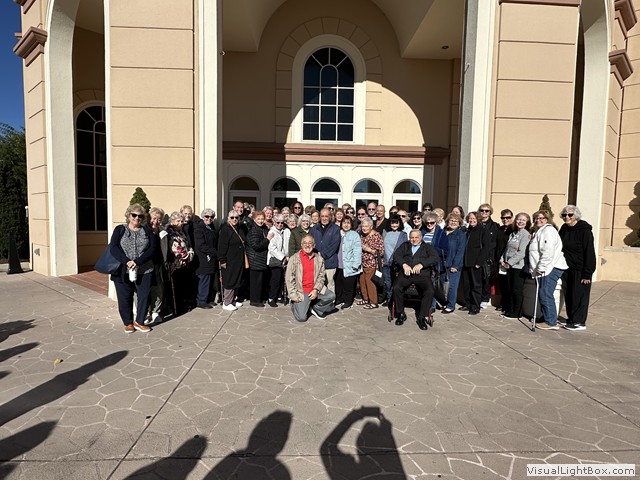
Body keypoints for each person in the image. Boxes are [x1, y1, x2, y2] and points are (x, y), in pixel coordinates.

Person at [109, 203, 157, 333]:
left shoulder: (147, 231)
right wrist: (127, 261)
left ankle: (140, 322)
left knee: (144, 296)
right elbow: (113, 247)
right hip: (123, 269)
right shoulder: (120, 229)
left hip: (144, 269)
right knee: (124, 297)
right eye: (134, 215)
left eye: (140, 216)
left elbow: (152, 249)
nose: (137, 218)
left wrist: (138, 261)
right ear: (128, 215)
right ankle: (128, 323)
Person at [528, 210, 568, 330]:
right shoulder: (540, 231)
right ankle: (547, 317)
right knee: (543, 293)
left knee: (545, 293)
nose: (538, 220)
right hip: (545, 267)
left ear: (547, 219)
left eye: (542, 218)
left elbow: (548, 251)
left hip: (550, 267)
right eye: (536, 218)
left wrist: (541, 267)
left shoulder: (548, 231)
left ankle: (551, 321)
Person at [392, 229, 440, 329]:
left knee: (430, 290)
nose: (414, 240)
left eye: (416, 237)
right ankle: (400, 313)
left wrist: (422, 264)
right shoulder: (405, 245)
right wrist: (404, 264)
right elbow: (396, 255)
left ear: (421, 237)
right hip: (407, 274)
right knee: (396, 288)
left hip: (422, 275)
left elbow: (435, 257)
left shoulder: (427, 247)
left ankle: (422, 316)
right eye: (412, 237)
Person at [559, 205, 596, 331]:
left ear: (576, 216)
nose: (567, 217)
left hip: (580, 269)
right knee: (569, 295)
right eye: (564, 215)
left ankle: (579, 322)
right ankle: (571, 319)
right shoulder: (564, 229)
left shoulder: (585, 230)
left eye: (570, 215)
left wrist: (587, 273)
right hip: (566, 268)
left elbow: (589, 252)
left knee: (579, 295)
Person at [285, 235, 336, 321]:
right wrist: (293, 295)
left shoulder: (319, 259)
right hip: (302, 291)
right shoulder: (294, 259)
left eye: (310, 243)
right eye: (305, 243)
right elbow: (289, 279)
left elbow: (321, 277)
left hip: (314, 289)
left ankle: (316, 308)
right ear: (301, 245)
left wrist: (316, 289)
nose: (307, 245)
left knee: (331, 296)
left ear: (314, 245)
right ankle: (294, 304)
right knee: (301, 318)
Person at [499, 212, 531, 319]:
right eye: (519, 219)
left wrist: (510, 263)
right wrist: (502, 260)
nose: (520, 222)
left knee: (516, 290)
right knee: (510, 289)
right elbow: (507, 249)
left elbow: (522, 252)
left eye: (523, 220)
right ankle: (510, 310)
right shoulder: (513, 234)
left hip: (518, 267)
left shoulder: (525, 235)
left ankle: (517, 312)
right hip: (508, 266)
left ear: (527, 222)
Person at [166, 211, 195, 314]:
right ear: (172, 222)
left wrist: (190, 252)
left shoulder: (181, 232)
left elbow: (187, 245)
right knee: (176, 288)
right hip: (176, 265)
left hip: (184, 265)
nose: (181, 223)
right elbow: (177, 251)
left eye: (182, 221)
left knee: (183, 287)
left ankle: (183, 305)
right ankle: (176, 309)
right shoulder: (171, 233)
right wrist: (189, 255)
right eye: (178, 221)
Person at [218, 210, 247, 311]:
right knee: (229, 280)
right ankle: (227, 302)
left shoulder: (239, 228)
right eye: (232, 217)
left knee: (236, 279)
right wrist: (222, 260)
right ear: (228, 219)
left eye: (236, 217)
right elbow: (222, 247)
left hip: (238, 260)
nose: (234, 219)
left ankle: (233, 300)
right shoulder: (225, 230)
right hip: (229, 260)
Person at [461, 211, 489, 315]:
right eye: (470, 218)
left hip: (476, 263)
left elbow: (486, 248)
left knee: (476, 286)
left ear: (478, 219)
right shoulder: (467, 230)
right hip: (466, 262)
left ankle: (475, 306)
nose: (472, 220)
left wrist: (479, 262)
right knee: (467, 285)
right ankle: (467, 303)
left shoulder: (483, 230)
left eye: (474, 218)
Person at [144, 207, 168, 324]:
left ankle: (155, 312)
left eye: (159, 219)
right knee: (144, 290)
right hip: (145, 264)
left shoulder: (162, 231)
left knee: (158, 289)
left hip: (158, 264)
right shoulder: (143, 230)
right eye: (154, 218)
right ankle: (144, 313)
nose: (156, 221)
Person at [246, 211, 273, 307]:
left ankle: (259, 298)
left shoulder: (262, 228)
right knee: (256, 282)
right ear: (254, 219)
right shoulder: (254, 230)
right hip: (255, 259)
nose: (260, 221)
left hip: (261, 259)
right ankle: (255, 300)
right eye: (258, 219)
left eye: (262, 219)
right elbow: (256, 246)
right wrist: (267, 239)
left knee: (260, 281)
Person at [310, 208, 341, 292]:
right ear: (319, 217)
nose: (324, 218)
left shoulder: (335, 229)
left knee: (329, 284)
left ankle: (331, 300)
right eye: (322, 216)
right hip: (316, 261)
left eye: (326, 216)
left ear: (330, 217)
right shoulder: (314, 229)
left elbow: (334, 246)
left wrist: (322, 254)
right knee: (317, 284)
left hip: (330, 262)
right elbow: (310, 243)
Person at [334, 216, 362, 310]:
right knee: (339, 284)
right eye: (344, 223)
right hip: (338, 264)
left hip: (349, 264)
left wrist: (356, 264)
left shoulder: (354, 235)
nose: (346, 225)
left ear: (351, 225)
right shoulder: (338, 233)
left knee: (348, 285)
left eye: (348, 223)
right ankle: (339, 299)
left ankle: (348, 301)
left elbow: (357, 250)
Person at [441, 213, 467, 313]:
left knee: (452, 286)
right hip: (442, 263)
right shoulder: (443, 232)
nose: (453, 222)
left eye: (456, 221)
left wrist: (455, 265)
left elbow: (460, 251)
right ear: (447, 221)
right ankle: (445, 302)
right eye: (451, 220)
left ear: (459, 223)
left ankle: (451, 305)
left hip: (453, 265)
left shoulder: (460, 235)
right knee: (443, 285)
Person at [193, 208, 219, 309]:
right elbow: (201, 245)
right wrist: (214, 252)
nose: (209, 218)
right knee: (204, 279)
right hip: (203, 258)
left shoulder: (211, 227)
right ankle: (201, 301)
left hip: (211, 257)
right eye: (207, 216)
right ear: (203, 217)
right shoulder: (199, 229)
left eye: (211, 217)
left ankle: (208, 299)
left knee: (210, 278)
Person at [358, 217, 384, 309]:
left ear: (371, 226)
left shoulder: (376, 236)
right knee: (362, 281)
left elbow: (381, 252)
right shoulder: (361, 235)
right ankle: (365, 299)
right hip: (362, 263)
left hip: (372, 263)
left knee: (370, 283)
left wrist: (369, 250)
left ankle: (373, 302)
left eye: (366, 226)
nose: (364, 228)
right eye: (363, 226)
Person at [382, 214, 407, 306]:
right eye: (392, 223)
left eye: (396, 223)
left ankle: (396, 301)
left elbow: (404, 249)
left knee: (396, 283)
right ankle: (389, 300)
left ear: (399, 223)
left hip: (396, 263)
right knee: (388, 283)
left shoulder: (403, 235)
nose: (394, 225)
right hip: (386, 262)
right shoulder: (385, 233)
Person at [477, 203, 499, 308]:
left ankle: (485, 299)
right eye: (482, 210)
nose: (484, 212)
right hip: (476, 255)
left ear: (490, 212)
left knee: (486, 278)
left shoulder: (495, 226)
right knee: (477, 278)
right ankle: (477, 298)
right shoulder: (477, 224)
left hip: (488, 256)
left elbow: (495, 243)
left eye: (487, 211)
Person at [496, 208, 514, 313]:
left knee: (509, 284)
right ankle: (503, 304)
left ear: (512, 218)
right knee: (502, 283)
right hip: (500, 260)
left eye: (508, 217)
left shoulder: (514, 230)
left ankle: (508, 306)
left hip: (509, 261)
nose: (505, 219)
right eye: (503, 217)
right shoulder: (500, 229)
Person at [267, 214, 287, 307]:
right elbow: (272, 248)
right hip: (275, 259)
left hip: (283, 259)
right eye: (278, 222)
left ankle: (279, 296)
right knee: (276, 279)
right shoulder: (272, 232)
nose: (280, 224)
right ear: (274, 223)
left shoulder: (284, 231)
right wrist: (282, 257)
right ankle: (271, 298)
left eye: (281, 223)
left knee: (281, 279)